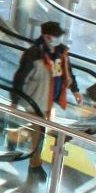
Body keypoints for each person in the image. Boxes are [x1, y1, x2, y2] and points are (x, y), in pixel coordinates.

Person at [11, 22, 78, 184]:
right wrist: (14, 100)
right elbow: (20, 77)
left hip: (49, 101)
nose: (58, 40)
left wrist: (75, 90)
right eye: (55, 36)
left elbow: (68, 72)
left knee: (40, 130)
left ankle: (13, 136)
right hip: (35, 101)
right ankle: (35, 166)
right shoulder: (34, 54)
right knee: (39, 133)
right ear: (47, 36)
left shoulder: (60, 54)